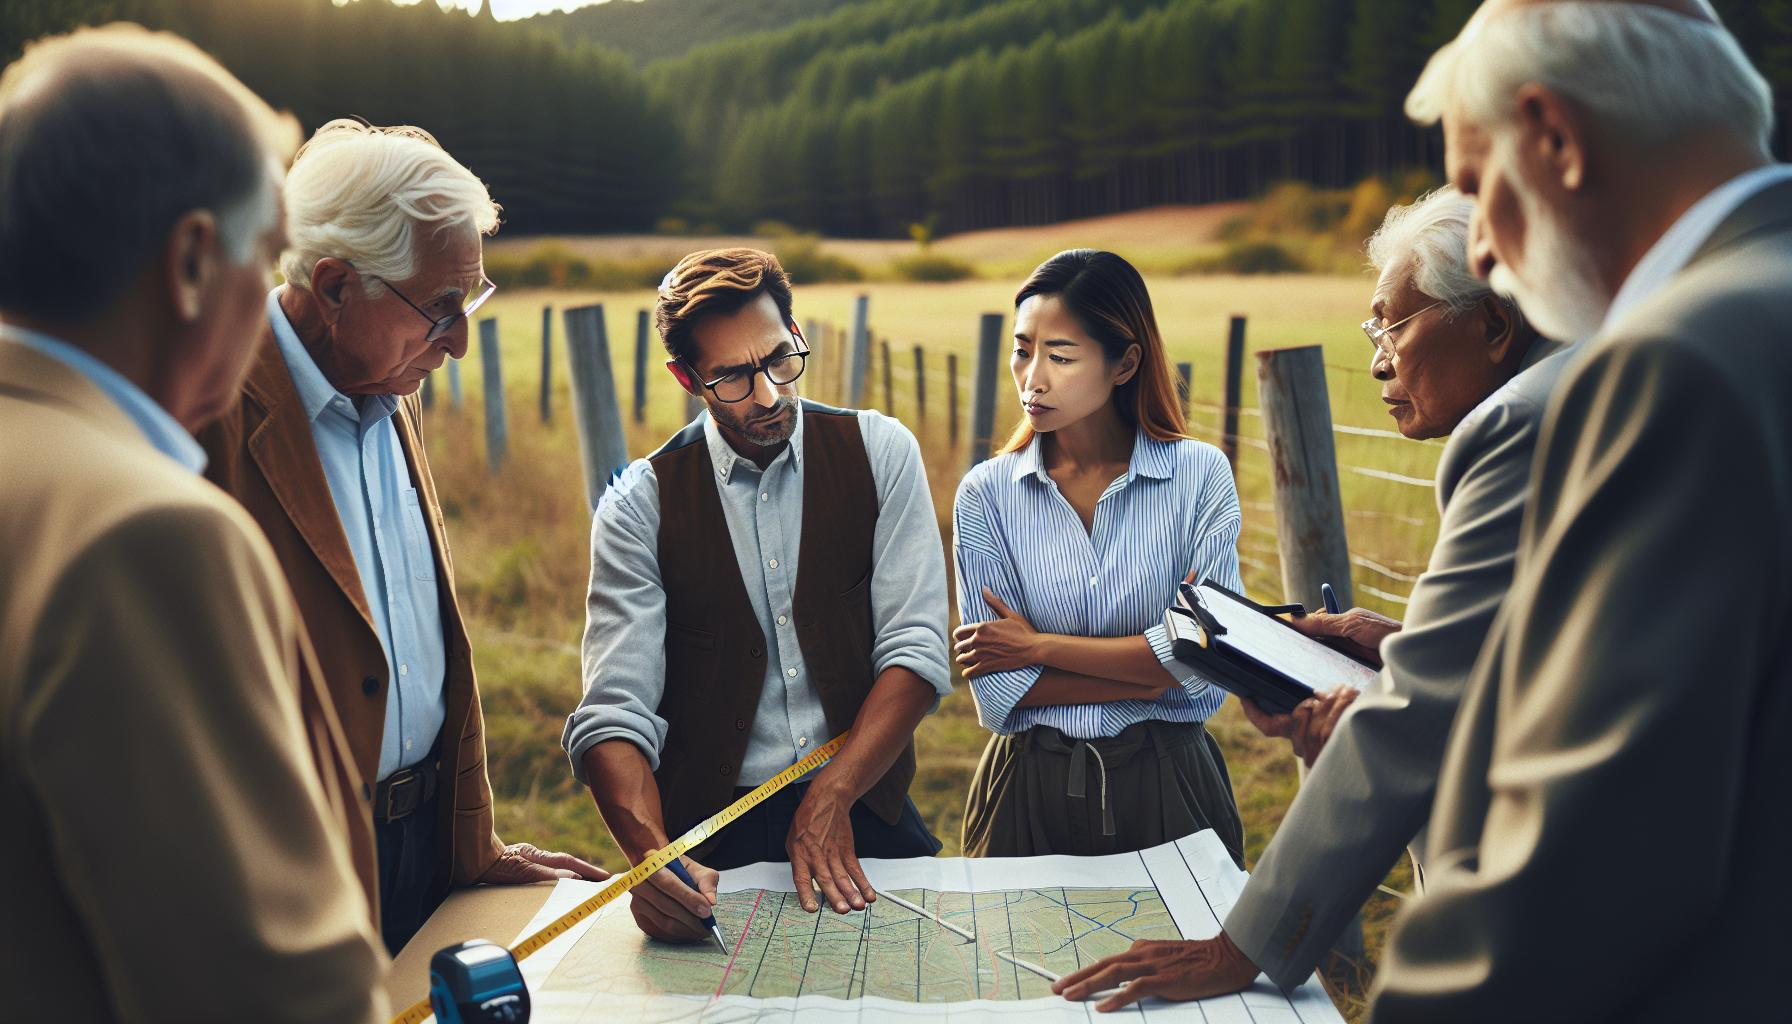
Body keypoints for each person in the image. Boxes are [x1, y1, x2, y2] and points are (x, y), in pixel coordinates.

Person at [1365, 0, 1792, 1018]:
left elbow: (1591, 855)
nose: (1477, 256)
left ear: (1553, 138)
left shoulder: (1673, 361)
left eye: (1477, 184)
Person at [1053, 188, 1571, 1011]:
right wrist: (1398, 647)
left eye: (1393, 326)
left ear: (1494, 326)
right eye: (1374, 334)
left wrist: (1240, 947)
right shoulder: (1589, 397)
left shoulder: (1514, 426)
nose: (1377, 361)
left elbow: (1417, 720)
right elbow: (1555, 660)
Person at [0, 24, 387, 1020]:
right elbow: (269, 991)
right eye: (266, 261)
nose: (266, 309)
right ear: (189, 263)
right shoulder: (146, 533)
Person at [197, 119, 607, 956]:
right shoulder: (208, 415)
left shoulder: (392, 384)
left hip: (424, 850)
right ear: (337, 283)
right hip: (291, 876)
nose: (459, 342)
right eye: (442, 308)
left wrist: (469, 846)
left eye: (473, 301)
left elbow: (420, 643)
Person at [564, 248, 951, 942]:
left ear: (796, 333)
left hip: (866, 801)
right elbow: (613, 713)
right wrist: (650, 858)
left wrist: (833, 792)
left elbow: (916, 652)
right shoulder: (637, 507)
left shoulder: (882, 452)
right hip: (711, 836)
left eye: (779, 359)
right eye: (735, 378)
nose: (769, 394)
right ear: (688, 378)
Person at [951, 248, 1246, 865]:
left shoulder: (1200, 477)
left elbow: (1205, 661)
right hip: (1023, 790)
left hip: (1170, 783)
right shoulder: (986, 494)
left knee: (1185, 960)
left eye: (1060, 356)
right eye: (1022, 349)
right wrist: (1152, 662)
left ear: (1125, 363)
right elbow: (999, 692)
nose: (1033, 378)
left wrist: (1038, 649)